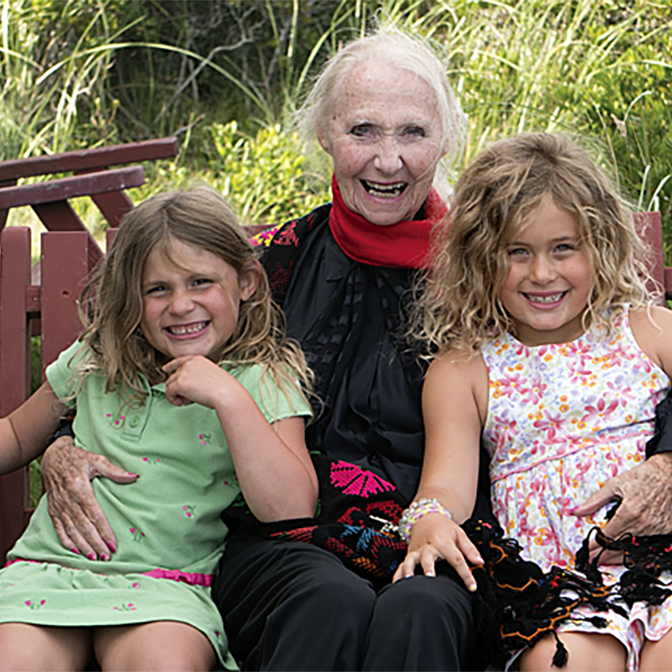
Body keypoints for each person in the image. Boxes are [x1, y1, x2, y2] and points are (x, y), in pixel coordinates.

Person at [34, 29, 672, 672]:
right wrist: (61, 439)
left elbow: (596, 360)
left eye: (413, 134)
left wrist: (669, 459)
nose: (387, 160)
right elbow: (146, 344)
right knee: (326, 600)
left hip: (451, 539)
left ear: (445, 140)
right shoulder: (271, 267)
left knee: (419, 610)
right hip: (287, 535)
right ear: (326, 137)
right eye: (363, 131)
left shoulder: (489, 269)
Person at [0, 187, 316, 672]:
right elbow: (19, 436)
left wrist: (228, 397)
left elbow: (292, 508)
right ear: (131, 295)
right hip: (49, 573)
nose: (181, 305)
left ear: (247, 281)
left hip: (166, 587)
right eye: (158, 289)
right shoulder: (97, 361)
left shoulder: (261, 379)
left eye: (200, 282)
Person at [399, 132, 672, 671]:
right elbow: (444, 483)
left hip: (662, 563)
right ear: (480, 260)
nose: (542, 274)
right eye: (517, 252)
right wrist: (429, 520)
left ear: (602, 244)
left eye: (563, 248)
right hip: (557, 587)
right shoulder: (465, 367)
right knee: (564, 665)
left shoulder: (648, 329)